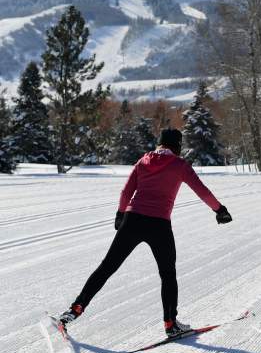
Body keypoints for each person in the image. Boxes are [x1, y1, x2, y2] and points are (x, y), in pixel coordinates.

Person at [56, 128, 233, 338]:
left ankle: (74, 310)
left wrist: (120, 215)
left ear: (160, 143)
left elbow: (126, 192)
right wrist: (219, 210)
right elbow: (201, 190)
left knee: (106, 267)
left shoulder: (143, 162)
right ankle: (171, 324)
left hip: (133, 220)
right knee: (167, 274)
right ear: (177, 145)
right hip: (159, 224)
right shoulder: (180, 165)